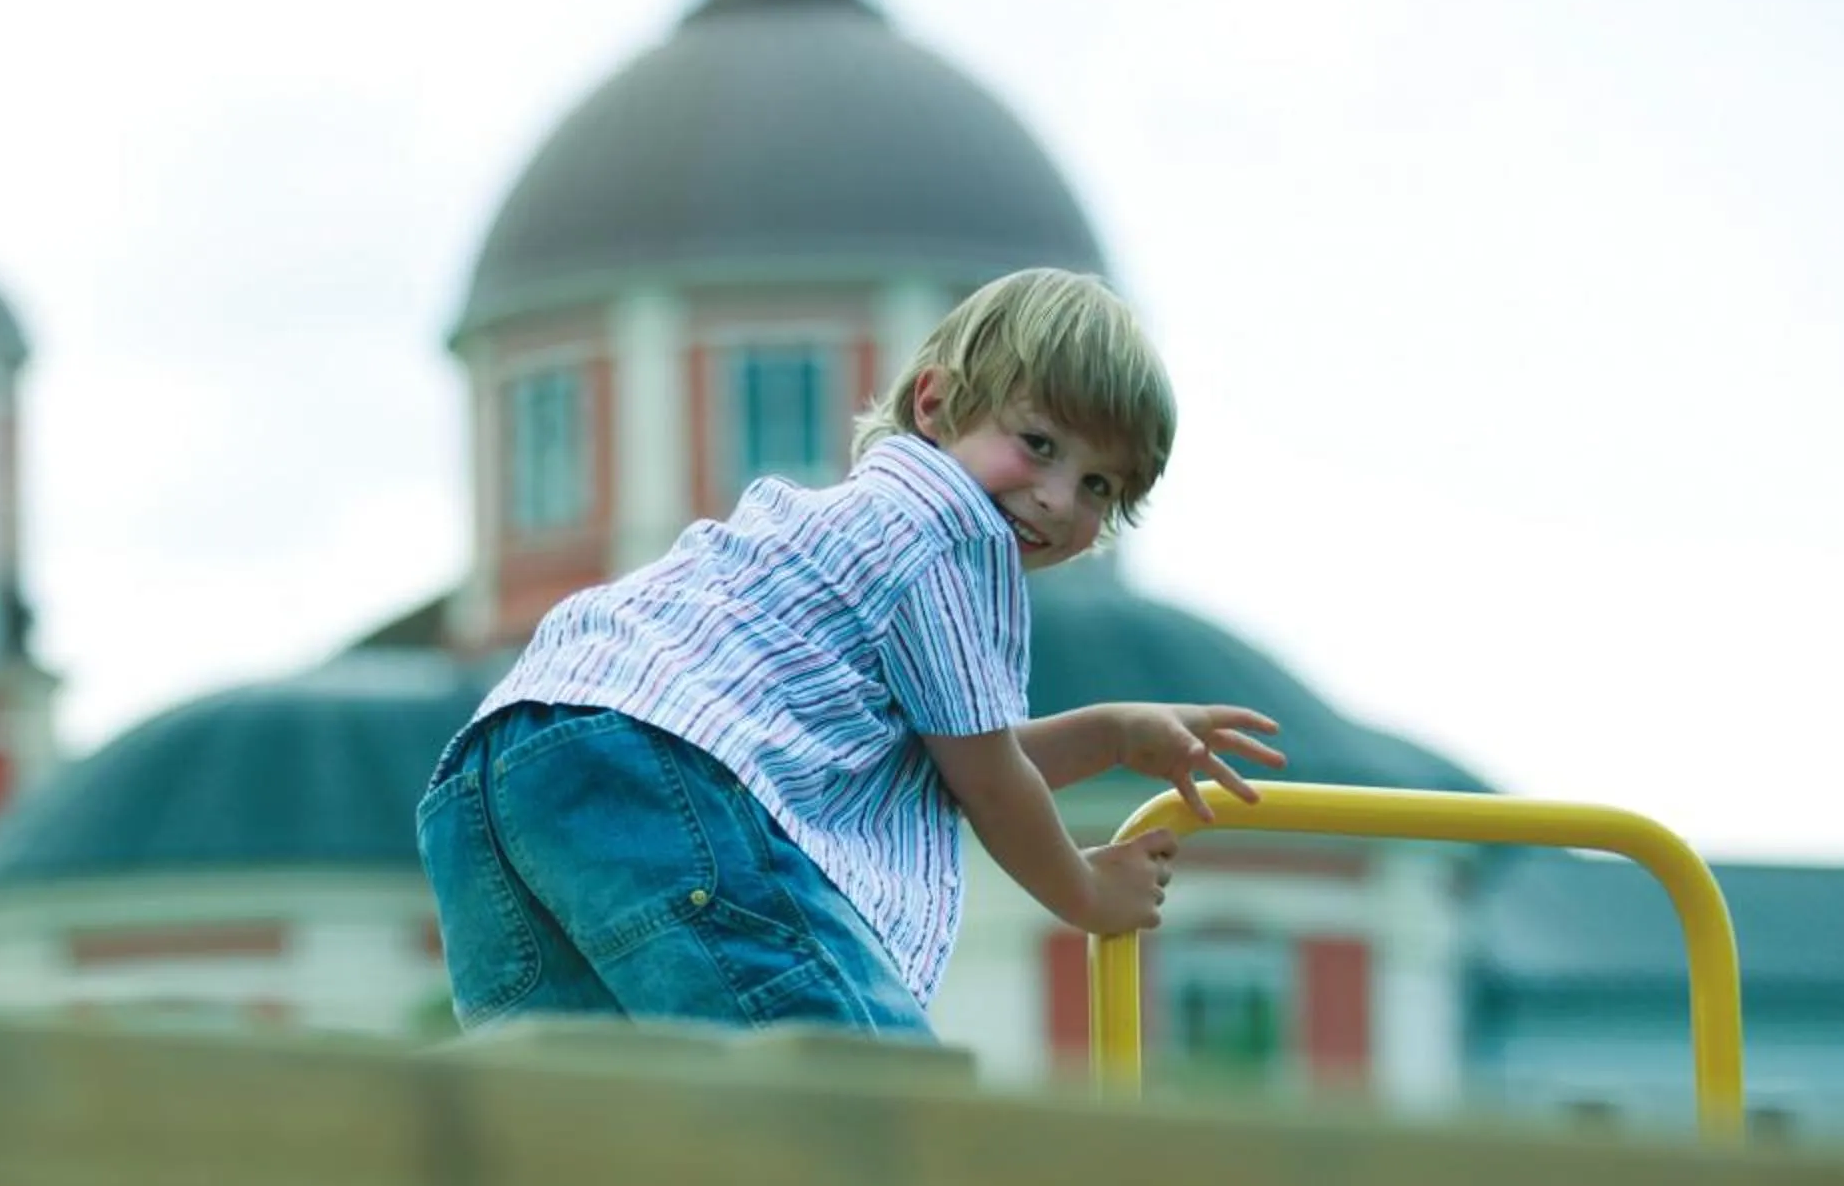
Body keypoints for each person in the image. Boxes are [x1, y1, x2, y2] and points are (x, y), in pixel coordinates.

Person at [415, 266, 1283, 1040]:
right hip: (664, 767)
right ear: (936, 404)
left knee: (578, 1132)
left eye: (1100, 486)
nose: (1058, 499)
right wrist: (1087, 892)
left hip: (497, 776)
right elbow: (986, 781)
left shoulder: (844, 540)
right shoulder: (939, 528)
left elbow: (948, 761)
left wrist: (1111, 735)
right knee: (870, 1104)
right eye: (1040, 444)